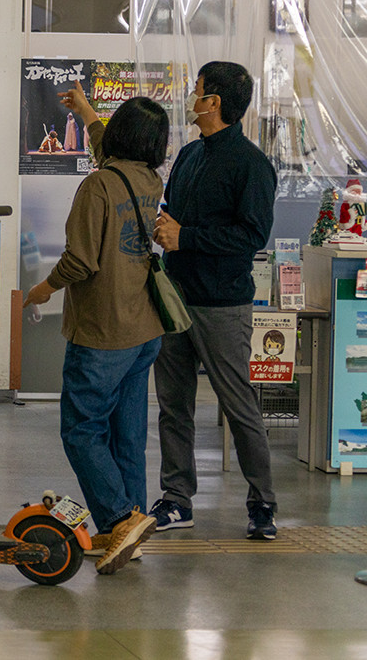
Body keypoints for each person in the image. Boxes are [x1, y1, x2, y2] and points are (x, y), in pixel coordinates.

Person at [23, 89, 168, 575]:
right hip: (144, 330)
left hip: (103, 333)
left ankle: (121, 519)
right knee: (128, 436)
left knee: (82, 430)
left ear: (120, 135)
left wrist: (43, 289)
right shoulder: (148, 180)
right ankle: (128, 529)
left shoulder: (98, 186)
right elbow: (111, 150)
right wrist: (86, 112)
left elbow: (80, 261)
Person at [150, 61, 279, 541]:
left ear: (214, 102)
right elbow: (171, 213)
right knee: (173, 405)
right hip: (174, 297)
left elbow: (252, 236)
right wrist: (163, 227)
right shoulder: (189, 155)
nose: (191, 97)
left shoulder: (251, 165)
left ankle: (262, 502)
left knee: (238, 405)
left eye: (197, 90)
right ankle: (176, 498)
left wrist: (186, 237)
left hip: (222, 305)